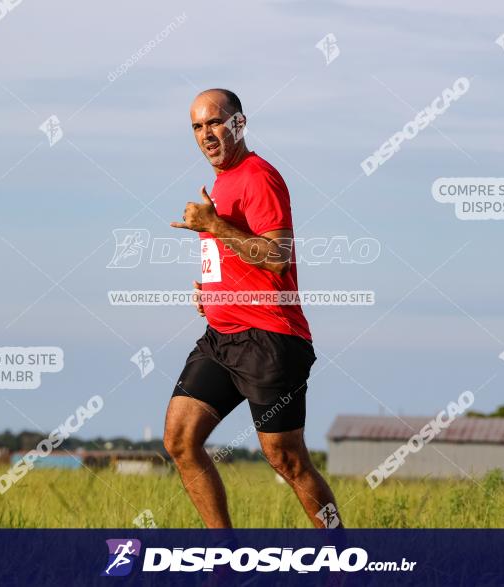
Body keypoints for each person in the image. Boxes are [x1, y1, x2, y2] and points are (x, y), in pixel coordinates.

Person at [165, 88, 342, 529]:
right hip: (221, 339)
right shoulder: (222, 184)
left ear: (238, 124)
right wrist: (213, 290)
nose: (206, 134)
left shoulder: (259, 175)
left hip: (270, 340)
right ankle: (226, 562)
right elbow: (239, 255)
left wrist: (212, 224)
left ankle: (343, 557)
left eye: (215, 122)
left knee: (287, 458)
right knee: (181, 440)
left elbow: (277, 254)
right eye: (197, 126)